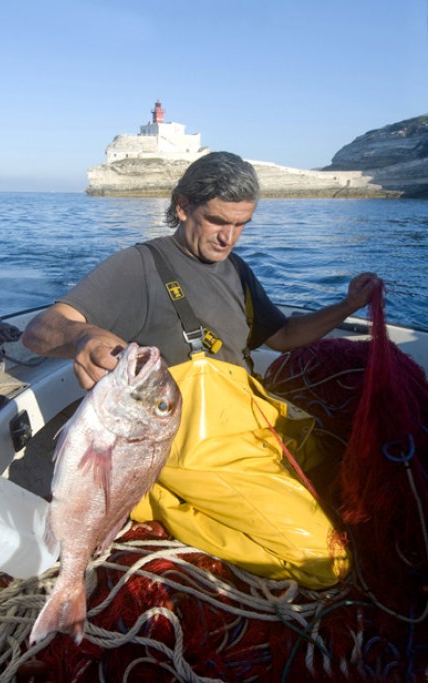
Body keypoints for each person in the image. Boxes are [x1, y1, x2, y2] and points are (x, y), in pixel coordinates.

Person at [23, 151, 378, 588]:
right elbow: (38, 330)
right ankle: (155, 498)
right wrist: (83, 336)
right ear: (181, 206)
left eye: (242, 224)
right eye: (216, 221)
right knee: (325, 560)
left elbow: (282, 336)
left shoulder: (237, 269)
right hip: (188, 448)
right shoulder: (137, 266)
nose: (228, 237)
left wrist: (347, 305)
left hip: (249, 426)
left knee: (345, 474)